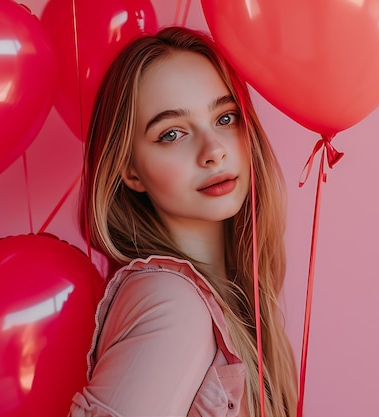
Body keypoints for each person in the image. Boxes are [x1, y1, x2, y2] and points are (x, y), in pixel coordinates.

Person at [69, 26, 297, 417]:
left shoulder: (241, 303)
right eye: (172, 133)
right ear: (130, 171)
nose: (213, 152)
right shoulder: (170, 302)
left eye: (225, 118)